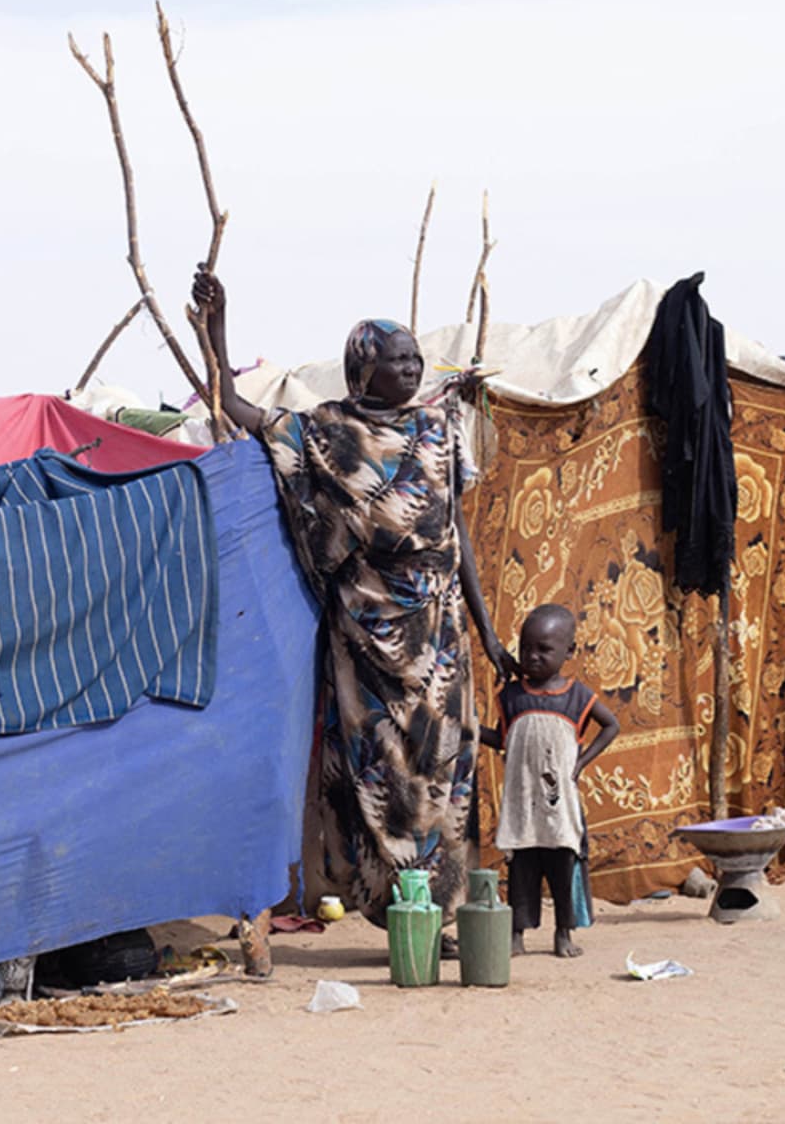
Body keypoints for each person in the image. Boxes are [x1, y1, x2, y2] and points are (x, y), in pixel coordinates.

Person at [191, 270, 515, 943]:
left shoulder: (439, 430)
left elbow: (456, 535)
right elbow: (232, 404)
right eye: (399, 359)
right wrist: (217, 327)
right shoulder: (326, 432)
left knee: (446, 772)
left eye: (416, 358)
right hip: (367, 631)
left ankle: (444, 916)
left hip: (441, 631)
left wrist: (485, 631)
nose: (414, 368)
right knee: (383, 770)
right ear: (364, 368)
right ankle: (400, 910)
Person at [479, 603, 619, 958]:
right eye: (526, 648)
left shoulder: (578, 697)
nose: (532, 656)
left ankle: (564, 933)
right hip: (523, 805)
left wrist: (581, 763)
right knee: (522, 872)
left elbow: (611, 725)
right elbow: (502, 740)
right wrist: (472, 729)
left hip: (560, 808)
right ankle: (516, 935)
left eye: (544, 649)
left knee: (562, 870)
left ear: (569, 652)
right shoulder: (511, 697)